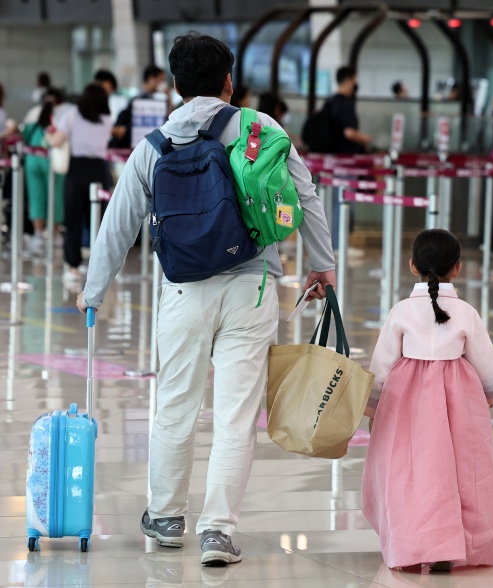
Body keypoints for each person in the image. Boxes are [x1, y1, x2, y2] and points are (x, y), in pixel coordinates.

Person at [76, 32, 335, 566]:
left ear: (174, 84)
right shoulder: (261, 129)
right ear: (228, 81)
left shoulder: (154, 146)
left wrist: (93, 291)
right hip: (253, 285)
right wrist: (322, 264)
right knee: (235, 415)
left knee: (175, 405)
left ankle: (167, 517)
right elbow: (305, 196)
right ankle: (217, 530)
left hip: (183, 291)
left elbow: (117, 225)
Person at [362, 229, 493, 572]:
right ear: (457, 269)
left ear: (413, 266)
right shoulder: (466, 312)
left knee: (412, 473)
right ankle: (454, 545)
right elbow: (487, 364)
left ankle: (415, 543)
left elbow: (381, 365)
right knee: (461, 473)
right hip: (460, 402)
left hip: (405, 403)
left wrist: (373, 408)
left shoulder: (400, 311)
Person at [47, 83, 113, 282]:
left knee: (73, 221)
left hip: (77, 170)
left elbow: (56, 141)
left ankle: (73, 266)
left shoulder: (73, 114)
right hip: (99, 170)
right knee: (98, 222)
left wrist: (48, 134)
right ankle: (99, 268)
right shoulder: (107, 119)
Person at [22, 88, 66, 255]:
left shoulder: (34, 112)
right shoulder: (63, 113)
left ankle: (38, 235)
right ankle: (55, 234)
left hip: (32, 158)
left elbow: (25, 135)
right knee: (56, 195)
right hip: (54, 158)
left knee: (36, 195)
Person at [110, 65, 170, 149]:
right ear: (151, 79)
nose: (163, 83)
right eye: (162, 80)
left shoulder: (138, 100)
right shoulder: (142, 102)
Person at [328, 66, 371, 154]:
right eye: (354, 81)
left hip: (330, 153)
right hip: (345, 155)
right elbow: (349, 133)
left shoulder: (329, 102)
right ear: (348, 81)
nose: (355, 84)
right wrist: (365, 138)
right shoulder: (346, 104)